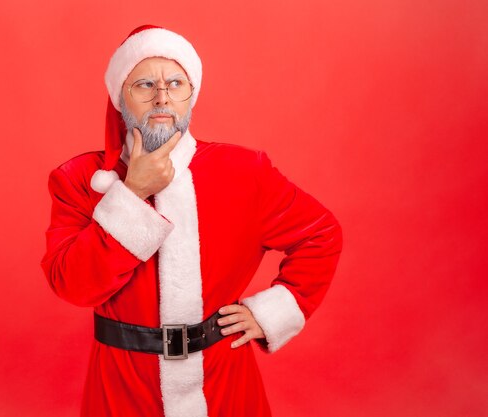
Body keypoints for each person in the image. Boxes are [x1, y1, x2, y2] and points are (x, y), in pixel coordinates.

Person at [41, 24, 342, 417]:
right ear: (121, 98)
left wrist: (272, 310)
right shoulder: (79, 179)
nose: (162, 96)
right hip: (122, 385)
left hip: (224, 379)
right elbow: (73, 286)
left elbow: (321, 234)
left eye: (176, 83)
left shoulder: (243, 172)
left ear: (191, 94)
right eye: (145, 84)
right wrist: (131, 194)